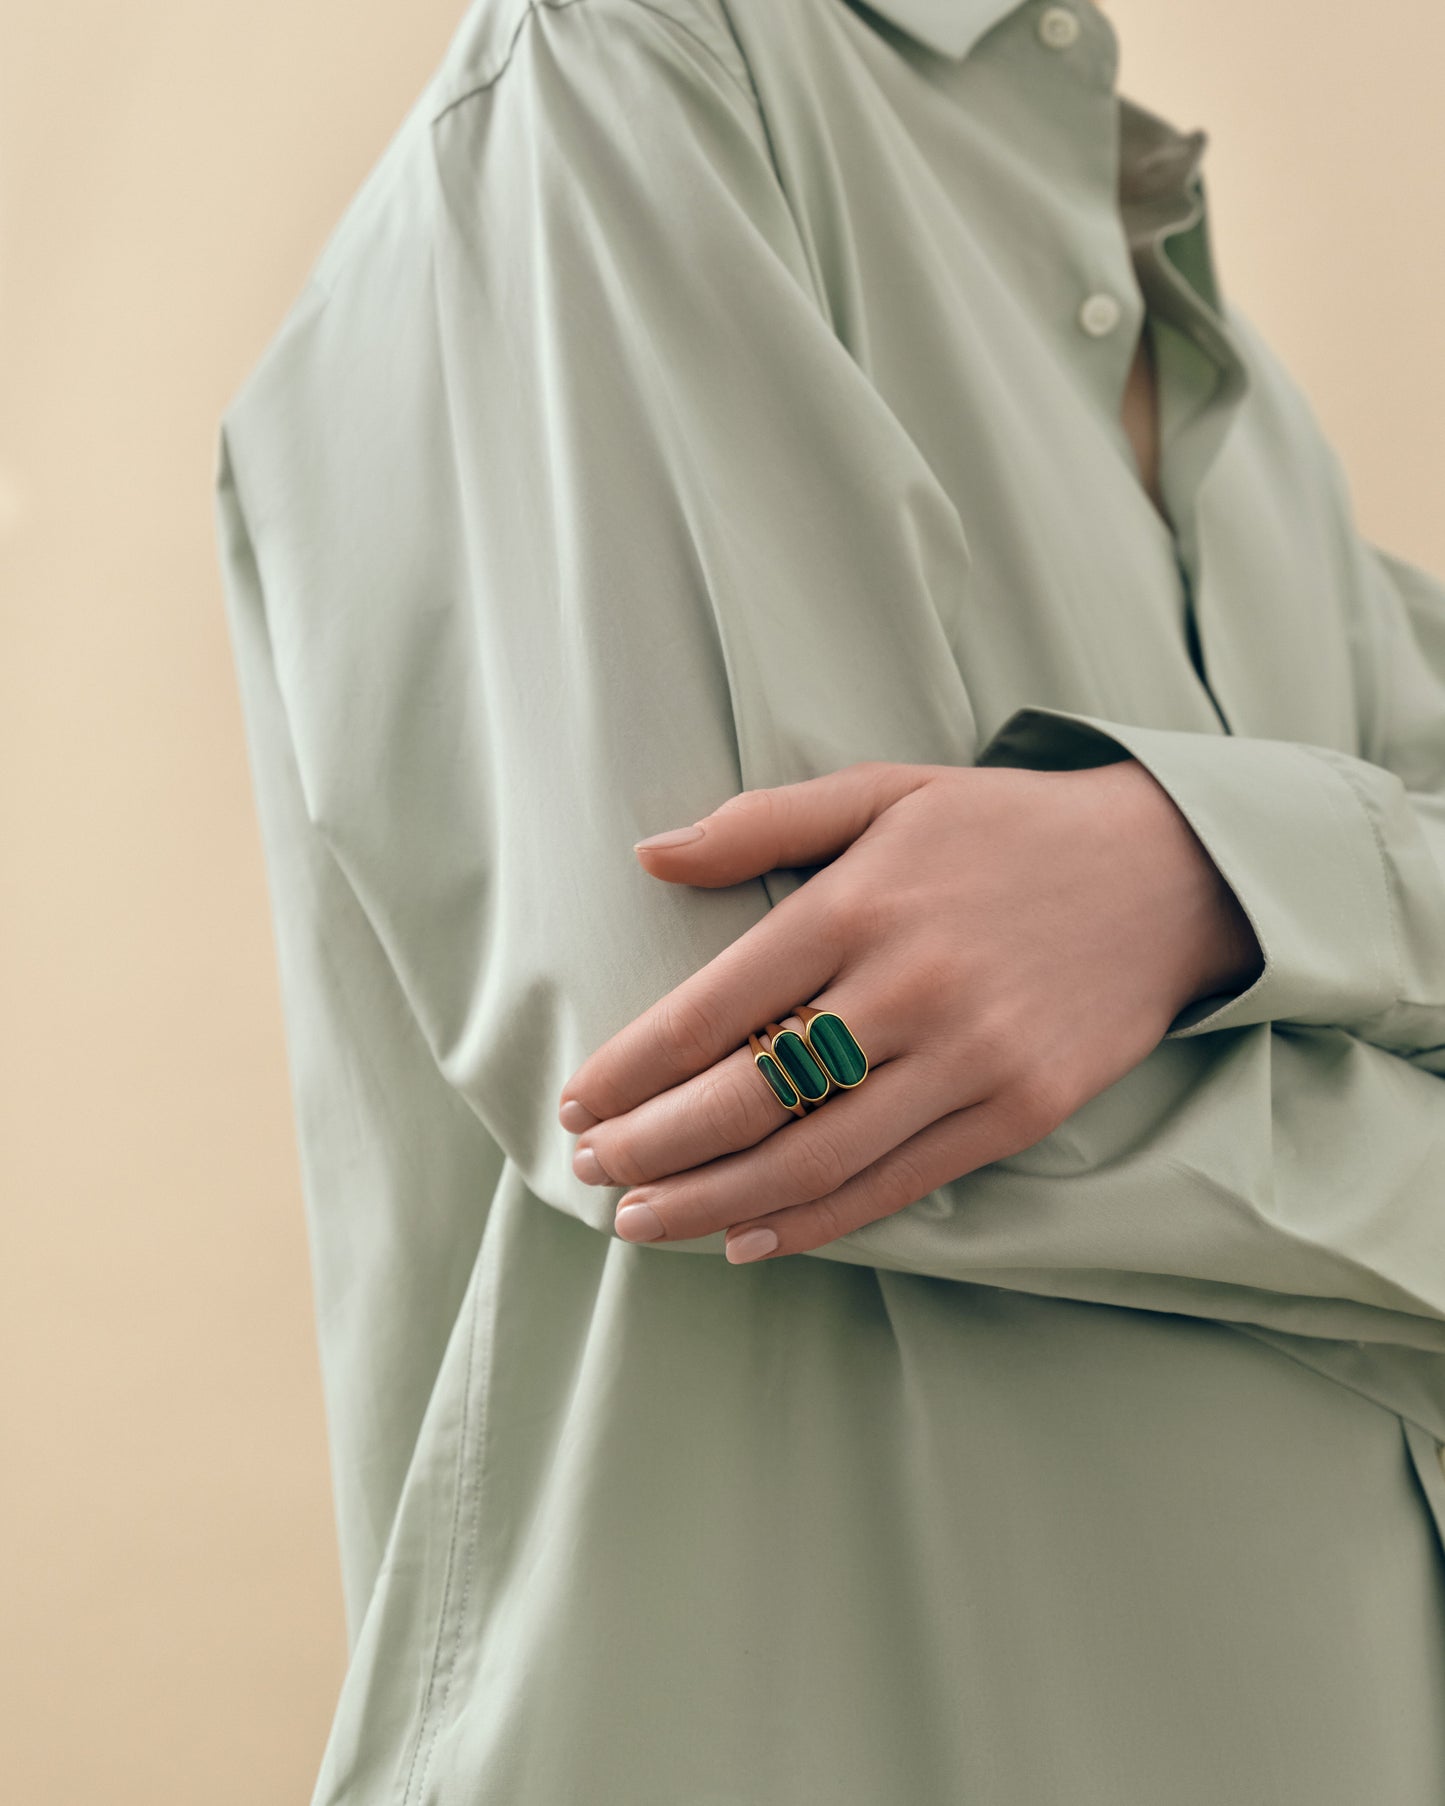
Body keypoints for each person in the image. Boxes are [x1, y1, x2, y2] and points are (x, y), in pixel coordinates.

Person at [213, 0, 1445, 1799]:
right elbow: (745, 1078)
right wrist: (1303, 915)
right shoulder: (626, 68)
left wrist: (1194, 875)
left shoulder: (1213, 366)